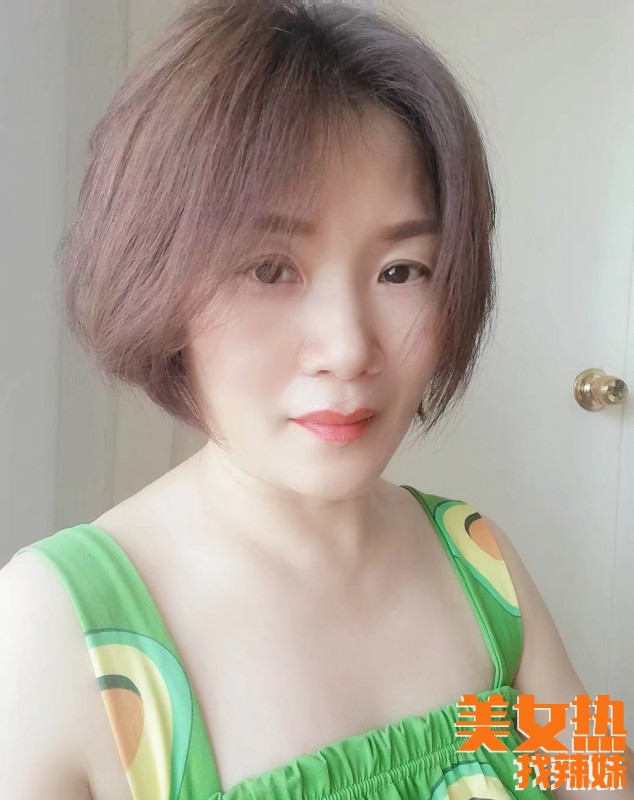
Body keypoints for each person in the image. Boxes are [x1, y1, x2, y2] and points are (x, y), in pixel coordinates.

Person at [1, 1, 631, 798]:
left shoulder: (479, 561)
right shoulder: (58, 627)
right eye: (270, 269)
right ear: (158, 276)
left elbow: (600, 777)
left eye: (401, 271)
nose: (348, 347)